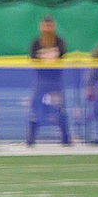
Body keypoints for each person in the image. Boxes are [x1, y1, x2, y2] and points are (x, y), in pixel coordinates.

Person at [27, 15, 71, 146]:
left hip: (55, 82)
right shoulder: (36, 42)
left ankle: (66, 139)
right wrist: (50, 55)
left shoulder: (60, 41)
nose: (47, 28)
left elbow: (61, 54)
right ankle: (30, 140)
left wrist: (46, 56)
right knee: (35, 109)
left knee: (60, 109)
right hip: (41, 82)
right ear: (41, 26)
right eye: (45, 25)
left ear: (54, 26)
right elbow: (33, 57)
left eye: (50, 25)